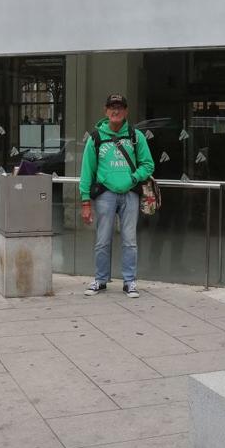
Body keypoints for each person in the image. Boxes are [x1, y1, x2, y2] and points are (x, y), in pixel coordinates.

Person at [79, 93, 155, 299]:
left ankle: (129, 281)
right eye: (112, 107)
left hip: (130, 195)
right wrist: (85, 200)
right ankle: (101, 279)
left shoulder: (135, 136)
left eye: (119, 107)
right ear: (105, 111)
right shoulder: (95, 138)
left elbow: (148, 164)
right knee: (102, 240)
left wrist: (133, 178)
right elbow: (87, 171)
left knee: (130, 240)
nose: (115, 111)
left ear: (126, 111)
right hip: (105, 196)